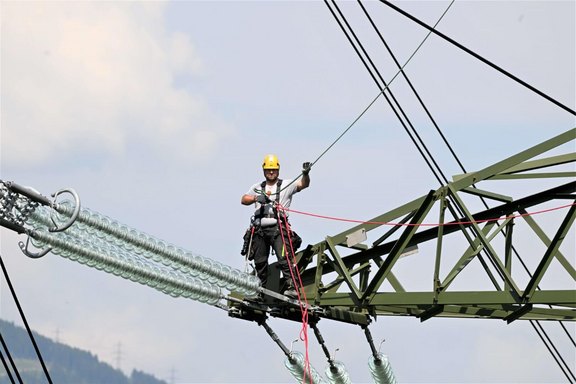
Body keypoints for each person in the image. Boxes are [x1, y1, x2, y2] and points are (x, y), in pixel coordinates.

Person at [241, 154, 311, 298]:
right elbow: (243, 199)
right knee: (260, 262)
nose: (271, 172)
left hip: (278, 229)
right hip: (260, 230)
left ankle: (292, 287)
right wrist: (256, 198)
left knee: (284, 258)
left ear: (278, 169)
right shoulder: (258, 187)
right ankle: (259, 291)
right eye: (268, 170)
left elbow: (304, 184)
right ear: (263, 170)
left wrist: (306, 174)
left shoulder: (286, 185)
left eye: (273, 169)